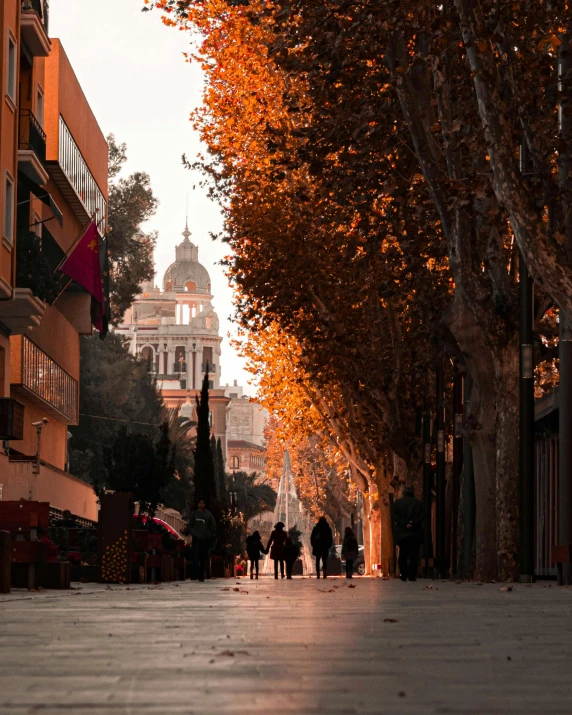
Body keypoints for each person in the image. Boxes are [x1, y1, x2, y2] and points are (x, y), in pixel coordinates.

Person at [393, 485, 425, 581]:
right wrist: (413, 523)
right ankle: (412, 575)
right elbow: (422, 516)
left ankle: (403, 573)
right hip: (415, 533)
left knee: (403, 554)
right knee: (414, 555)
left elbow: (395, 517)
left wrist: (404, 523)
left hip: (402, 533)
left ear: (403, 493)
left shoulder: (398, 503)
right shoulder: (419, 503)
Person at [188, 498, 217, 582]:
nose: (201, 505)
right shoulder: (194, 514)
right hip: (196, 539)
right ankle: (194, 575)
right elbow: (190, 526)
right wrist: (194, 533)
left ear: (205, 504)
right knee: (195, 556)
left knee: (203, 557)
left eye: (203, 503)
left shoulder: (208, 515)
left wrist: (208, 534)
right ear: (197, 504)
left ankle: (202, 575)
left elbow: (213, 526)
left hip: (205, 539)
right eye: (199, 503)